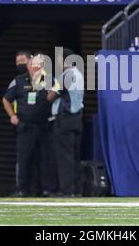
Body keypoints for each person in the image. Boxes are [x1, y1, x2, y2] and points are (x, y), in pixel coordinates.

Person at [2, 55, 59, 197]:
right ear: (28, 66)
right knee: (24, 159)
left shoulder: (49, 80)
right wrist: (12, 116)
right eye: (34, 65)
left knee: (46, 158)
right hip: (25, 125)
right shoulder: (19, 81)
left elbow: (56, 92)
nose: (36, 67)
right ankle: (22, 189)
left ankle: (47, 189)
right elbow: (6, 99)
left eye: (40, 65)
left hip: (44, 125)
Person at [51, 48, 84, 197]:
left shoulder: (66, 75)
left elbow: (50, 96)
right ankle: (77, 190)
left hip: (65, 119)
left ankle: (66, 190)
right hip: (77, 118)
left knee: (64, 157)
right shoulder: (79, 74)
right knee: (75, 156)